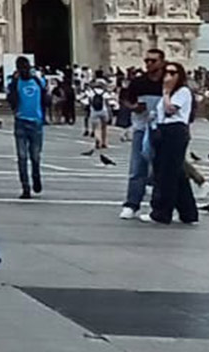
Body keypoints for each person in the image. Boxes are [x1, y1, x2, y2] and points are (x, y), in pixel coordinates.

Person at [148, 61, 199, 226]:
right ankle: (188, 212)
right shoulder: (170, 92)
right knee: (176, 173)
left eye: (172, 73)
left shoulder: (182, 92)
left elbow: (170, 109)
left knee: (166, 174)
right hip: (163, 131)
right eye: (166, 73)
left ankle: (162, 213)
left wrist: (166, 92)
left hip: (175, 131)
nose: (168, 76)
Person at [118, 50, 166, 220]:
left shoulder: (168, 82)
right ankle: (132, 204)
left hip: (163, 129)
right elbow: (125, 99)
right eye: (147, 61)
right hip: (141, 127)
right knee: (137, 168)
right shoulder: (138, 82)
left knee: (161, 169)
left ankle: (158, 207)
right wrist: (134, 107)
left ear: (162, 62)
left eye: (153, 61)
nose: (149, 64)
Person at [6, 56, 47, 200]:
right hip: (22, 122)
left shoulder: (37, 80)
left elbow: (46, 94)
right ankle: (26, 187)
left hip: (35, 122)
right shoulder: (16, 82)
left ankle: (35, 177)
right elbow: (9, 97)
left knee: (34, 156)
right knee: (22, 157)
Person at [85, 71, 113, 151]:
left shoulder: (91, 92)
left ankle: (98, 139)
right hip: (103, 110)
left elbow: (88, 101)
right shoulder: (105, 92)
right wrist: (110, 111)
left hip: (94, 111)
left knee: (97, 127)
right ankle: (104, 142)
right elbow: (108, 102)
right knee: (104, 127)